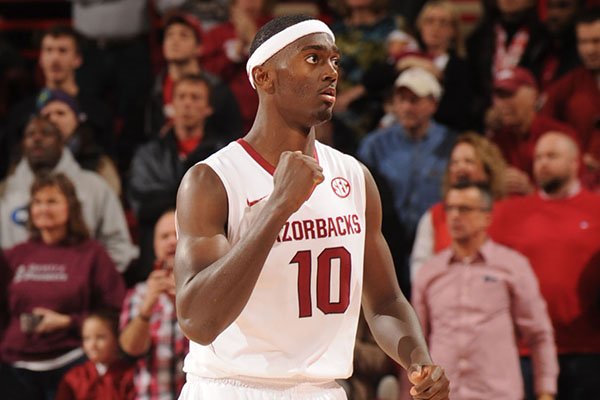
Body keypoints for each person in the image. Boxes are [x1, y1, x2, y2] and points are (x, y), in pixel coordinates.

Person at [174, 14, 450, 399]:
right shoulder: (213, 179)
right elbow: (197, 321)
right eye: (313, 59)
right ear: (264, 77)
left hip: (321, 389)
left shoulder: (354, 178)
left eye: (335, 61)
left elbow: (385, 301)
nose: (331, 72)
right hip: (231, 387)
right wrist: (278, 207)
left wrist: (418, 358)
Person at [412, 182, 558, 400]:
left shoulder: (512, 266)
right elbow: (416, 343)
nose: (454, 216)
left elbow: (539, 334)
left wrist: (546, 391)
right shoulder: (429, 272)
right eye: (450, 208)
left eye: (465, 209)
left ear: (486, 217)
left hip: (498, 393)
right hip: (442, 395)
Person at [489, 132, 600, 400]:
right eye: (538, 157)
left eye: (552, 156)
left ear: (575, 163)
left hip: (587, 347)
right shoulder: (508, 212)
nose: (542, 163)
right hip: (525, 351)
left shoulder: (597, 209)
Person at [0, 172, 126, 400]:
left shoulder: (91, 254)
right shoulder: (15, 255)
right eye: (37, 202)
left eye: (52, 201)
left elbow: (114, 310)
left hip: (71, 364)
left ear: (70, 207)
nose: (43, 208)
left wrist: (69, 322)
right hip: (14, 369)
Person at [357, 67, 456, 297]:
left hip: (435, 244)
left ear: (433, 103)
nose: (406, 107)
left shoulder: (452, 145)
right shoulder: (374, 145)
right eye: (401, 100)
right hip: (387, 244)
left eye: (414, 100)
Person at [0, 116, 138, 272]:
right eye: (30, 134)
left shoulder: (95, 186)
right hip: (15, 290)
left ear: (62, 142)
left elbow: (118, 246)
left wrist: (91, 279)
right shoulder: (4, 191)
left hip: (80, 291)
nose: (37, 138)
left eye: (46, 133)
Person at [129, 74, 225, 281]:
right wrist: (193, 196)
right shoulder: (148, 155)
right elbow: (142, 206)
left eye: (195, 97)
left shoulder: (223, 155)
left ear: (208, 108)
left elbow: (225, 207)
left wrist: (168, 194)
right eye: (181, 97)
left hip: (208, 263)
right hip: (154, 260)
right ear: (171, 105)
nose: (187, 103)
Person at [2, 25, 113, 178]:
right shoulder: (21, 112)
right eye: (48, 50)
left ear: (77, 59)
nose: (55, 58)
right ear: (40, 58)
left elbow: (107, 161)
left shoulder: (97, 111)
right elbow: (11, 163)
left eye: (62, 51)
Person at [411, 133, 507, 279]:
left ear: (488, 169)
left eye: (469, 161)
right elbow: (420, 267)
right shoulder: (434, 216)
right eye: (454, 163)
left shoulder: (508, 212)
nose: (460, 168)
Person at [119, 209, 188, 399]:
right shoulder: (138, 294)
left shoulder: (205, 288)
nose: (171, 241)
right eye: (163, 236)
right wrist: (147, 306)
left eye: (176, 233)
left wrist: (180, 303)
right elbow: (129, 349)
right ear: (154, 245)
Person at [145, 11, 243, 140]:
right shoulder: (152, 89)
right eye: (169, 35)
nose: (174, 41)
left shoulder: (218, 91)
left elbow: (233, 136)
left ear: (199, 47)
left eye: (183, 36)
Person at [486, 66, 578, 195]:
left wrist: (532, 191)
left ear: (533, 96)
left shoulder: (560, 136)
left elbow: (576, 188)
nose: (503, 103)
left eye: (510, 95)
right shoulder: (496, 140)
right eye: (499, 96)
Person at [539, 8, 600, 191]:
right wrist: (576, 159)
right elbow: (544, 131)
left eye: (597, 41)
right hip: (580, 185)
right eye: (583, 42)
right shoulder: (566, 86)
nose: (589, 49)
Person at [37, 88, 121, 195]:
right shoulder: (27, 161)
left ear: (77, 119)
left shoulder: (99, 163)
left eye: (61, 113)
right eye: (46, 115)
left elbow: (110, 202)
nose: (53, 119)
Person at [55, 310, 135, 400]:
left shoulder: (130, 376)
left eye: (100, 337)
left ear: (117, 338)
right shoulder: (74, 377)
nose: (92, 345)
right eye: (86, 338)